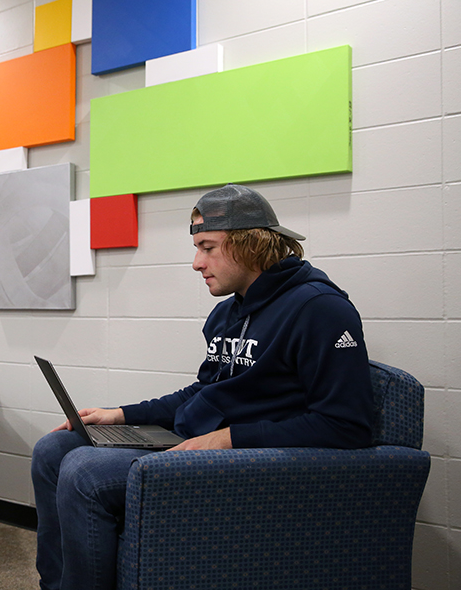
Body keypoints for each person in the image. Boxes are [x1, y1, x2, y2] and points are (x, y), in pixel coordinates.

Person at [31, 184, 375, 590]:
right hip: (193, 440)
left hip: (247, 462)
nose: (197, 263)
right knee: (53, 450)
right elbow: (205, 391)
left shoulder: (321, 309)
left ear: (251, 245)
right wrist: (120, 414)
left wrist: (228, 439)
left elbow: (348, 426)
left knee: (85, 471)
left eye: (208, 247)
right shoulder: (227, 312)